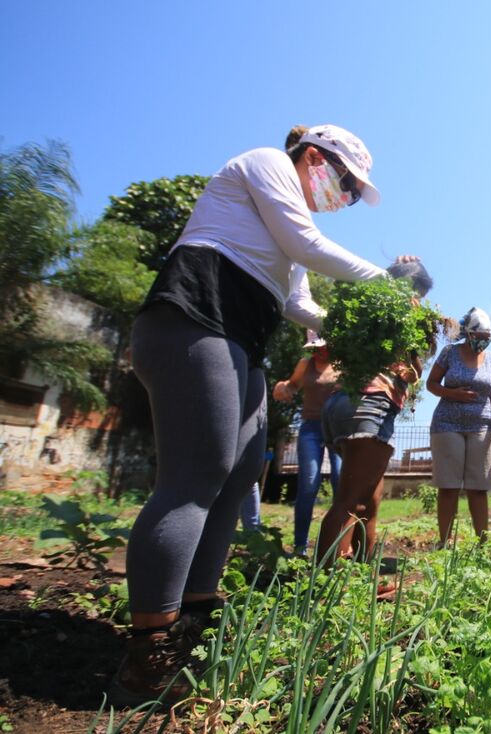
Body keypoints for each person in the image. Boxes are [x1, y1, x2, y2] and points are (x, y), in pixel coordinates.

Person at [112, 123, 411, 707]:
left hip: (239, 336)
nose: (345, 199)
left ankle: (195, 615)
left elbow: (300, 303)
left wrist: (363, 329)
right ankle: (148, 651)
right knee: (198, 472)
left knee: (244, 467)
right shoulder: (267, 163)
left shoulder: (291, 219)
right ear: (316, 157)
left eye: (352, 194)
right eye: (346, 185)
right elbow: (305, 245)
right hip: (194, 314)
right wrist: (389, 286)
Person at [318, 260, 436, 577]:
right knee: (347, 501)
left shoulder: (368, 310)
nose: (418, 301)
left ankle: (363, 576)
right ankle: (319, 587)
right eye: (418, 293)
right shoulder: (406, 315)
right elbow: (414, 373)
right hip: (372, 402)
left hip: (341, 402)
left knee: (369, 502)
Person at [426, 307, 491, 545]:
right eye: (479, 337)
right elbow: (431, 384)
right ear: (469, 334)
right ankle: (444, 542)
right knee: (449, 486)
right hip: (447, 424)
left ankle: (482, 543)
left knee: (478, 487)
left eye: (487, 338)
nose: (483, 342)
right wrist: (452, 394)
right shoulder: (449, 353)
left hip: (482, 427)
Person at [273, 329, 342, 555]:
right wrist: (284, 387)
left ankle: (340, 545)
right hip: (311, 428)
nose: (320, 351)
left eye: (324, 346)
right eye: (315, 348)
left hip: (337, 428)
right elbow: (293, 384)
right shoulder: (306, 364)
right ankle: (300, 546)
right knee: (308, 484)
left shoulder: (343, 365)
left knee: (340, 482)